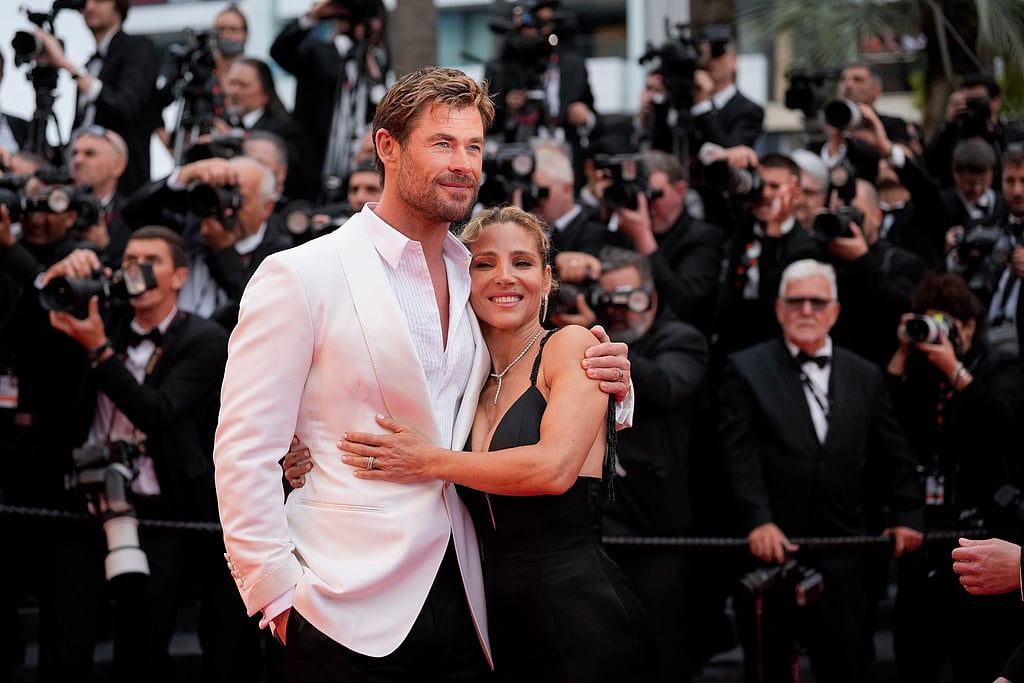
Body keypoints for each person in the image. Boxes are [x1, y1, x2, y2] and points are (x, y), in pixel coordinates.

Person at [213, 67, 632, 681]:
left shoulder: (475, 279)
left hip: (468, 593)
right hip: (339, 600)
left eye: (473, 147)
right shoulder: (302, 273)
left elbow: (527, 368)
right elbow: (244, 448)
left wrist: (613, 379)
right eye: (442, 143)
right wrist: (276, 596)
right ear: (388, 147)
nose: (463, 163)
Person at [332, 206, 655, 681]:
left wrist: (431, 461)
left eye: (522, 263)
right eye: (485, 264)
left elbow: (553, 468)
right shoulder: (464, 376)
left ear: (547, 280)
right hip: (493, 623)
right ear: (463, 277)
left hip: (582, 615)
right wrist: (306, 454)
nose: (505, 277)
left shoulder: (571, 345)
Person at [44, 226, 269, 683]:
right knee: (71, 640)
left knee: (144, 640)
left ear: (179, 277)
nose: (136, 271)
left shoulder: (204, 339)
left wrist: (99, 351)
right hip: (83, 506)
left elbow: (158, 412)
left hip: (164, 513)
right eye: (129, 260)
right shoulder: (99, 318)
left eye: (151, 261)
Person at [718, 258, 923, 683]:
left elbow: (893, 453)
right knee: (770, 668)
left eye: (817, 301)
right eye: (797, 302)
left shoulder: (865, 374)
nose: (807, 311)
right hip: (772, 553)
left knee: (847, 666)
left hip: (847, 552)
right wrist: (758, 521)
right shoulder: (746, 368)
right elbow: (737, 455)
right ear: (778, 308)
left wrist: (906, 514)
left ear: (834, 311)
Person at [885, 272, 1024, 683]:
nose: (938, 334)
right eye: (929, 323)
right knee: (914, 656)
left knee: (977, 656)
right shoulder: (921, 370)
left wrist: (955, 370)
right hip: (925, 531)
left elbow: (1004, 424)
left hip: (984, 529)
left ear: (968, 324)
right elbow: (882, 422)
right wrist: (902, 354)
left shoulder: (1000, 363)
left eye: (945, 324)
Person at [270, 0, 392, 201]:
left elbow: (383, 113)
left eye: (373, 17)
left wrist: (375, 76)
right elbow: (279, 52)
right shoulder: (318, 52)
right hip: (309, 173)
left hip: (351, 181)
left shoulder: (375, 65)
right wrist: (313, 16)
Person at [34, 0, 158, 195]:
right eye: (85, 2)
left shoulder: (138, 48)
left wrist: (68, 66)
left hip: (124, 189)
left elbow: (125, 107)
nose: (90, 8)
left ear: (119, 6)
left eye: (100, 0)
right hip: (82, 189)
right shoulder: (91, 63)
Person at [67, 124, 132, 266]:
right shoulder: (57, 206)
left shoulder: (134, 218)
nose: (77, 161)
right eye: (74, 153)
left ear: (117, 165)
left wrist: (105, 248)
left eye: (89, 154)